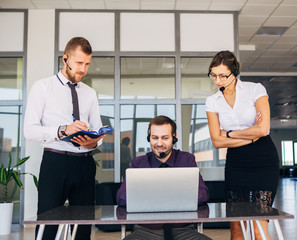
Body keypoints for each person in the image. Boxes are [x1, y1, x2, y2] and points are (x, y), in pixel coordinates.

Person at [24, 37, 105, 240]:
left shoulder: (90, 93)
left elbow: (97, 130)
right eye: (79, 63)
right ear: (65, 59)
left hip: (85, 164)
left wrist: (93, 141)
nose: (83, 69)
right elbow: (29, 131)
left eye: (87, 64)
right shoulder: (42, 87)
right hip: (56, 163)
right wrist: (63, 131)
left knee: (82, 229)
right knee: (48, 227)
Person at [205, 51, 279, 240]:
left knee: (259, 227)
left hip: (263, 160)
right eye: (214, 75)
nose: (218, 80)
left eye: (223, 75)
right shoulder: (212, 101)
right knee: (236, 228)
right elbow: (216, 141)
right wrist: (250, 135)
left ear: (234, 72)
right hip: (236, 164)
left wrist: (229, 133)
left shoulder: (255, 90)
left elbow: (263, 129)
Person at [116, 115, 211, 240]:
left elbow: (203, 194)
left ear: (174, 137)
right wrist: (176, 195)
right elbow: (121, 198)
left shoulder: (186, 159)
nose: (159, 143)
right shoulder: (138, 163)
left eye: (165, 138)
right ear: (148, 137)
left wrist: (151, 196)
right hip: (145, 230)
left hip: (182, 229)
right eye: (155, 138)